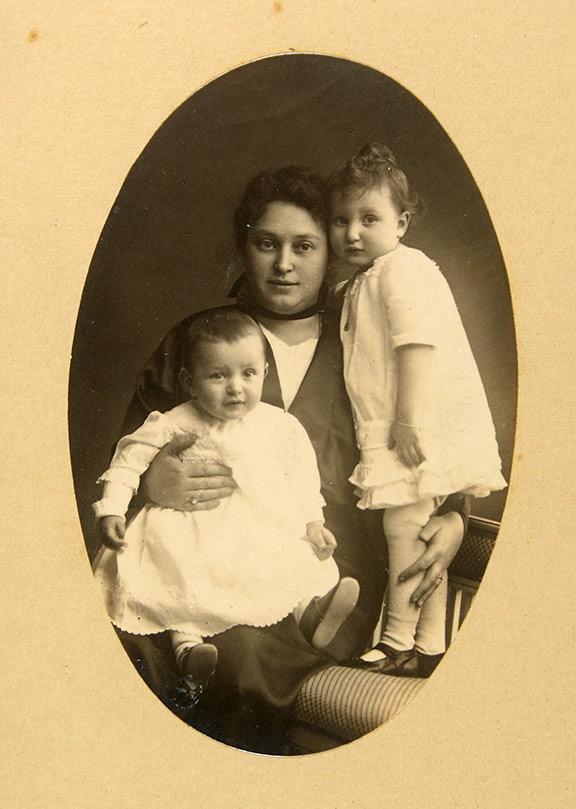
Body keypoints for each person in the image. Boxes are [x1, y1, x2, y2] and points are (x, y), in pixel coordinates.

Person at [116, 165, 469, 752]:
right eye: (266, 244)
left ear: (332, 251)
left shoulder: (367, 336)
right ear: (243, 248)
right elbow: (130, 450)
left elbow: (431, 422)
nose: (284, 264)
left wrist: (454, 513)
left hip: (328, 567)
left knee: (241, 646)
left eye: (304, 246)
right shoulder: (199, 339)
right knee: (149, 635)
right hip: (202, 552)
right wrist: (152, 482)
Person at [93, 309, 359, 700]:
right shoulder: (175, 421)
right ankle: (188, 648)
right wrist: (113, 508)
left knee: (293, 556)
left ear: (264, 373)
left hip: (254, 529)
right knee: (177, 577)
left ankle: (309, 613)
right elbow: (128, 459)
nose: (235, 388)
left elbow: (302, 479)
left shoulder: (279, 425)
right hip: (192, 529)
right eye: (218, 376)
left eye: (247, 374)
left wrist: (312, 523)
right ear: (190, 381)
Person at [328, 142, 506, 677]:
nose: (351, 232)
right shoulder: (367, 280)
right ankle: (430, 645)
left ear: (401, 222)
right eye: (341, 220)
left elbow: (416, 343)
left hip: (410, 427)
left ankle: (398, 637)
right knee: (417, 534)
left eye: (369, 218)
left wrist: (407, 420)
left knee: (403, 534)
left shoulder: (401, 271)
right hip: (396, 426)